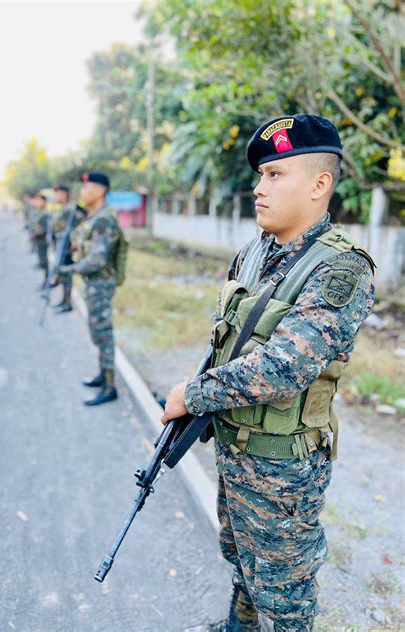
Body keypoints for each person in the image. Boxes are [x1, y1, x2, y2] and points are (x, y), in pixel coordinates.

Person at [161, 114, 375, 631]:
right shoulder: (253, 253)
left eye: (276, 175)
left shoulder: (341, 268)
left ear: (320, 185)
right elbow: (226, 343)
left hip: (283, 467)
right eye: (261, 176)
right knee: (241, 561)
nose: (259, 188)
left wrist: (193, 394)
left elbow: (286, 366)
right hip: (237, 448)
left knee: (284, 594)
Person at [60, 172, 122, 406]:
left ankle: (110, 387)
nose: (82, 192)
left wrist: (69, 269)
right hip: (93, 284)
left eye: (87, 188)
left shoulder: (104, 218)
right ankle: (102, 375)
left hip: (101, 284)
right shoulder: (93, 216)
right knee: (97, 332)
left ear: (100, 191)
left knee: (103, 334)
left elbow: (98, 260)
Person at [51, 185, 87, 313]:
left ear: (65, 194)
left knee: (66, 275)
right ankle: (64, 300)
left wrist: (75, 236)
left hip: (67, 247)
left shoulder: (72, 208)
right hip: (61, 245)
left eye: (58, 194)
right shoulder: (62, 209)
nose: (56, 196)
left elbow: (84, 218)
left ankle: (67, 303)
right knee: (62, 274)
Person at [31, 192, 50, 289]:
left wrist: (37, 233)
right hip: (39, 241)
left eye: (39, 200)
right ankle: (46, 282)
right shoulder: (38, 212)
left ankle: (47, 282)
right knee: (43, 263)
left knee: (46, 264)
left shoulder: (45, 214)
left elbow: (47, 230)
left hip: (44, 242)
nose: (36, 202)